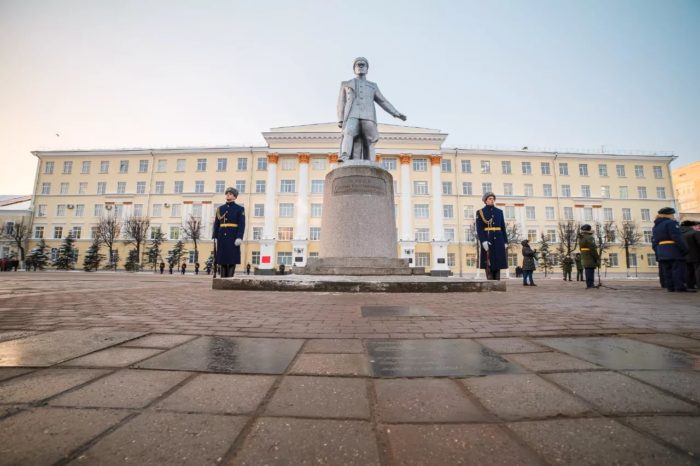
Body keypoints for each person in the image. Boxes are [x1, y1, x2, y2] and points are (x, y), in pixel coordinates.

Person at [337, 57, 406, 162]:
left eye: (363, 65)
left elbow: (383, 101)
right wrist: (340, 119)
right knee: (348, 132)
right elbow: (341, 102)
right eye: (358, 65)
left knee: (370, 139)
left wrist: (396, 113)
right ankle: (345, 155)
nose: (360, 66)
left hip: (368, 116)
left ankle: (371, 162)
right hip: (352, 114)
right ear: (354, 69)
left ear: (367, 69)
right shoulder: (346, 84)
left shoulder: (373, 86)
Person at [652, 207, 692, 292]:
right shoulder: (671, 223)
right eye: (672, 214)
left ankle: (670, 287)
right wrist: (684, 248)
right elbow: (677, 237)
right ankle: (679, 287)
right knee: (677, 269)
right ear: (669, 214)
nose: (673, 216)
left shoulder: (656, 226)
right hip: (673, 249)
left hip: (661, 250)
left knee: (667, 270)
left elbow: (655, 240)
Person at [212, 187, 245, 277]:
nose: (228, 195)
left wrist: (239, 237)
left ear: (235, 197)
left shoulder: (239, 209)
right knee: (222, 259)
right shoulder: (220, 209)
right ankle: (223, 279)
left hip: (233, 236)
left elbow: (242, 224)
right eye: (227, 194)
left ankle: (229, 279)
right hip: (222, 236)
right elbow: (217, 223)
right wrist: (215, 236)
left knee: (231, 259)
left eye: (230, 194)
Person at [475, 192, 508, 280]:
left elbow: (503, 227)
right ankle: (490, 281)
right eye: (490, 198)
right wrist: (483, 241)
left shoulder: (499, 212)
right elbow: (479, 229)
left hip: (499, 239)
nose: (492, 200)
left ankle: (497, 281)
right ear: (485, 201)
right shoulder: (480, 212)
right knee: (488, 261)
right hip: (487, 238)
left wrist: (505, 241)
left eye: (493, 198)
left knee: (498, 261)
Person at [680, 220, 700, 290]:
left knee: (688, 271)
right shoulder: (695, 233)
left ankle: (690, 285)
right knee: (698, 270)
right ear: (692, 226)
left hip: (685, 256)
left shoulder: (680, 234)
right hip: (697, 255)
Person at [579, 224, 599, 289]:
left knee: (588, 271)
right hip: (590, 256)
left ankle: (589, 284)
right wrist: (597, 257)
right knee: (590, 271)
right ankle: (590, 285)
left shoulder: (582, 237)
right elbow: (592, 248)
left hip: (584, 256)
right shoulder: (589, 237)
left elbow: (582, 248)